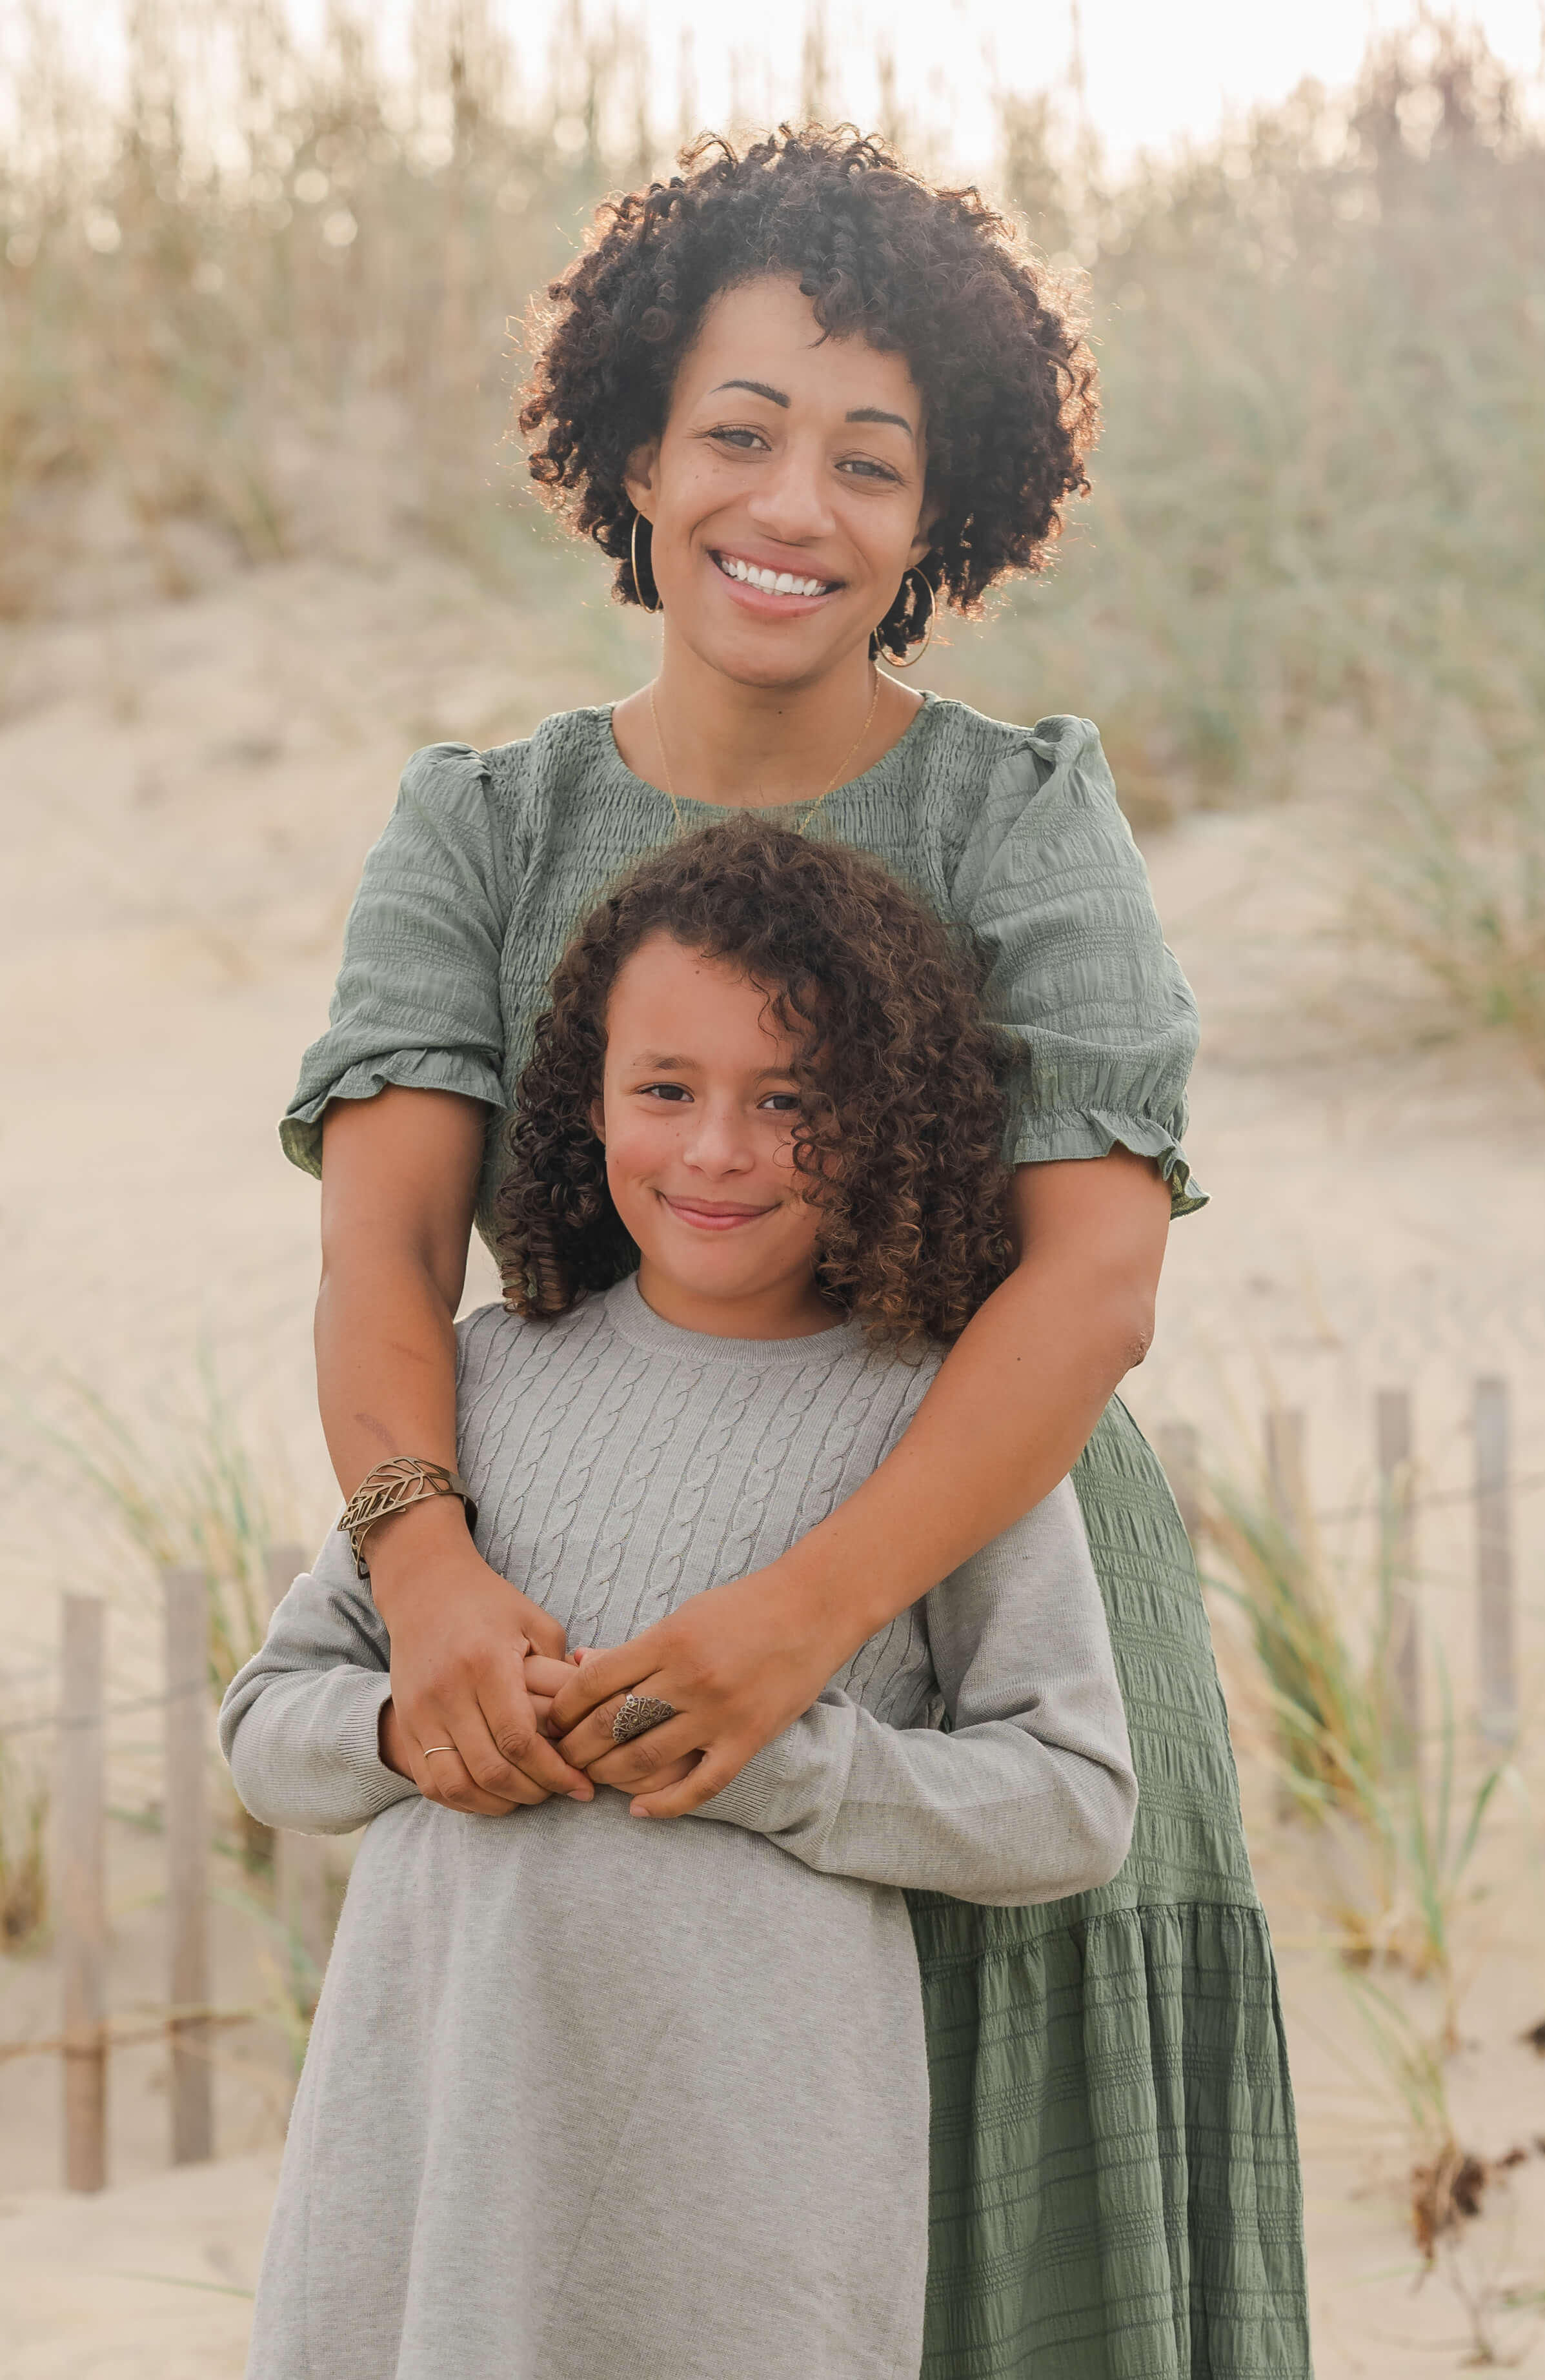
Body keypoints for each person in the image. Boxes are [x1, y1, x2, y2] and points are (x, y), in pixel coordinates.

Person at [282, 129, 1310, 2374]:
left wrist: (806, 1623)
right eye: (738, 432)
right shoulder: (486, 824)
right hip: (592, 1639)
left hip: (982, 1619)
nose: (792, 506)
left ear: (943, 511)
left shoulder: (1015, 811)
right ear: (635, 449)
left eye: (869, 457)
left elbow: (1097, 1278)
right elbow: (383, 1246)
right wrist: (428, 1568)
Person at [225, 822, 1139, 2380]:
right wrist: (407, 1722)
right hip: (430, 2162)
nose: (715, 1149)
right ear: (588, 1102)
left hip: (748, 2203)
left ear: (890, 1117)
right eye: (666, 1089)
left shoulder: (942, 1432)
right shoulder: (481, 1386)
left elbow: (1072, 1800)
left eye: (789, 1102)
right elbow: (267, 1725)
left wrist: (789, 1762)